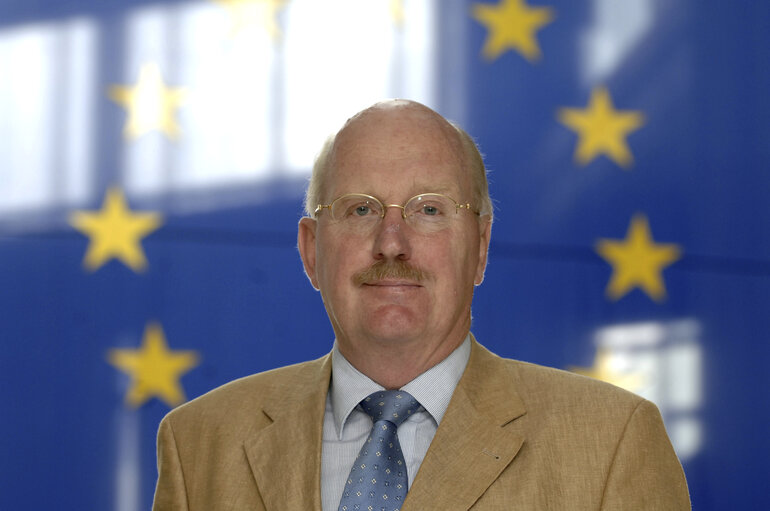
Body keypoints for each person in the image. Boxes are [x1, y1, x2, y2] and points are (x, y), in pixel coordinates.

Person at [152, 100, 690, 510]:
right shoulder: (199, 443)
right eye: (360, 209)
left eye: (428, 209)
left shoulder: (612, 442)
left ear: (479, 247)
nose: (391, 242)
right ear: (311, 250)